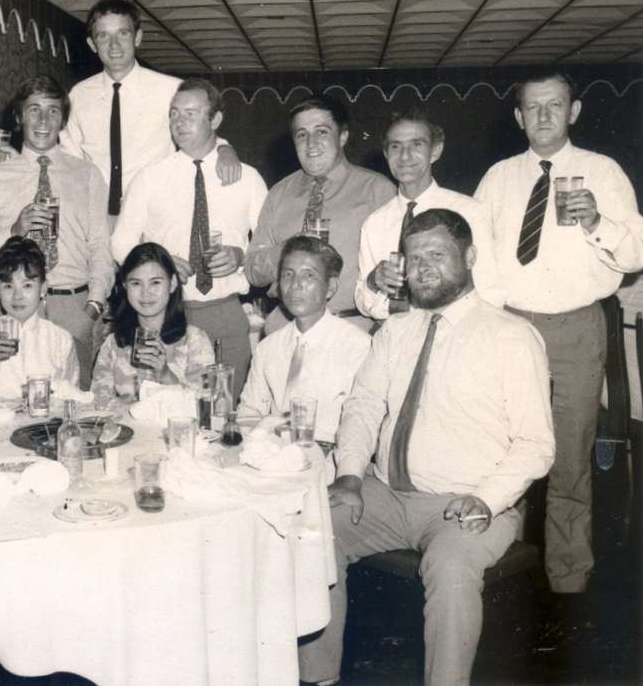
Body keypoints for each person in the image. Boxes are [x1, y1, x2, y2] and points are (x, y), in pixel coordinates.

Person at [300, 209, 554, 686]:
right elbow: (362, 406)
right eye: (414, 258)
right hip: (386, 495)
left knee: (452, 569)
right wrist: (351, 475)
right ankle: (319, 678)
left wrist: (488, 498)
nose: (422, 268)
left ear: (470, 257)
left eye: (436, 255)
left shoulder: (511, 336)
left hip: (469, 503)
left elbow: (536, 443)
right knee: (311, 531)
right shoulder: (395, 331)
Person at [475, 69, 643, 599]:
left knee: (570, 455)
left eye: (555, 105)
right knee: (503, 448)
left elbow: (636, 253)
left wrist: (596, 221)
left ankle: (569, 580)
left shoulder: (603, 171)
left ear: (573, 112)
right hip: (510, 325)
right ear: (519, 117)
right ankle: (501, 557)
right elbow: (477, 258)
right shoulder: (497, 178)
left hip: (575, 326)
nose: (543, 115)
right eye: (533, 106)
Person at [111, 78, 266, 400]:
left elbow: (268, 247)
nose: (179, 123)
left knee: (223, 413)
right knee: (163, 409)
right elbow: (120, 242)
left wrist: (240, 257)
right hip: (165, 316)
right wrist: (159, 261)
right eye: (174, 114)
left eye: (191, 114)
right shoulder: (150, 178)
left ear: (216, 120)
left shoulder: (247, 178)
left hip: (225, 312)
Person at [0, 76, 114, 387]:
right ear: (19, 116)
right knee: (11, 400)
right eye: (34, 110)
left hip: (73, 305)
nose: (43, 120)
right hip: (15, 306)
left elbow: (101, 247)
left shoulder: (87, 174)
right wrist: (14, 230)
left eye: (53, 111)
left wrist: (92, 309)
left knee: (75, 409)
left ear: (63, 119)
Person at [58, 0, 242, 220]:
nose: (113, 45)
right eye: (103, 35)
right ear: (92, 44)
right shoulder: (79, 95)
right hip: (96, 215)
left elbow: (200, 133)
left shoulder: (170, 89)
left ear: (137, 37)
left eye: (123, 33)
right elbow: (69, 157)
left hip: (154, 213)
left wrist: (224, 149)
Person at [244, 96, 395, 333]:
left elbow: (396, 274)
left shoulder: (378, 190)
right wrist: (287, 250)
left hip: (352, 328)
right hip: (285, 329)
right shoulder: (279, 193)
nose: (311, 143)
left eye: (322, 132)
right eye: (301, 134)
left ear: (343, 136)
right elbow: (253, 271)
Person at [355, 108, 504, 320]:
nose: (405, 156)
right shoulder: (375, 222)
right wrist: (373, 281)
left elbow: (491, 291)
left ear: (435, 151)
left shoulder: (469, 211)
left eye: (417, 144)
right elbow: (365, 304)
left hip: (454, 334)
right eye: (396, 146)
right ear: (387, 154)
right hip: (395, 337)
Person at [239, 236, 369, 443]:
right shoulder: (268, 348)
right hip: (271, 456)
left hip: (328, 461)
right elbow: (248, 413)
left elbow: (362, 428)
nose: (296, 285)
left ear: (331, 287)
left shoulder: (357, 347)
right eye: (288, 275)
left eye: (308, 275)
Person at [0, 236, 78, 402]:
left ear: (43, 287)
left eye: (27, 285)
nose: (17, 296)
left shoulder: (61, 338)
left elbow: (73, 401)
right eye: (8, 286)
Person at [92, 242, 214, 399]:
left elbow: (204, 405)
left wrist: (165, 375)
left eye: (155, 282)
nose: (145, 293)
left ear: (173, 284)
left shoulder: (194, 340)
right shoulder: (113, 344)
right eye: (136, 283)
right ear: (125, 287)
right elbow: (98, 406)